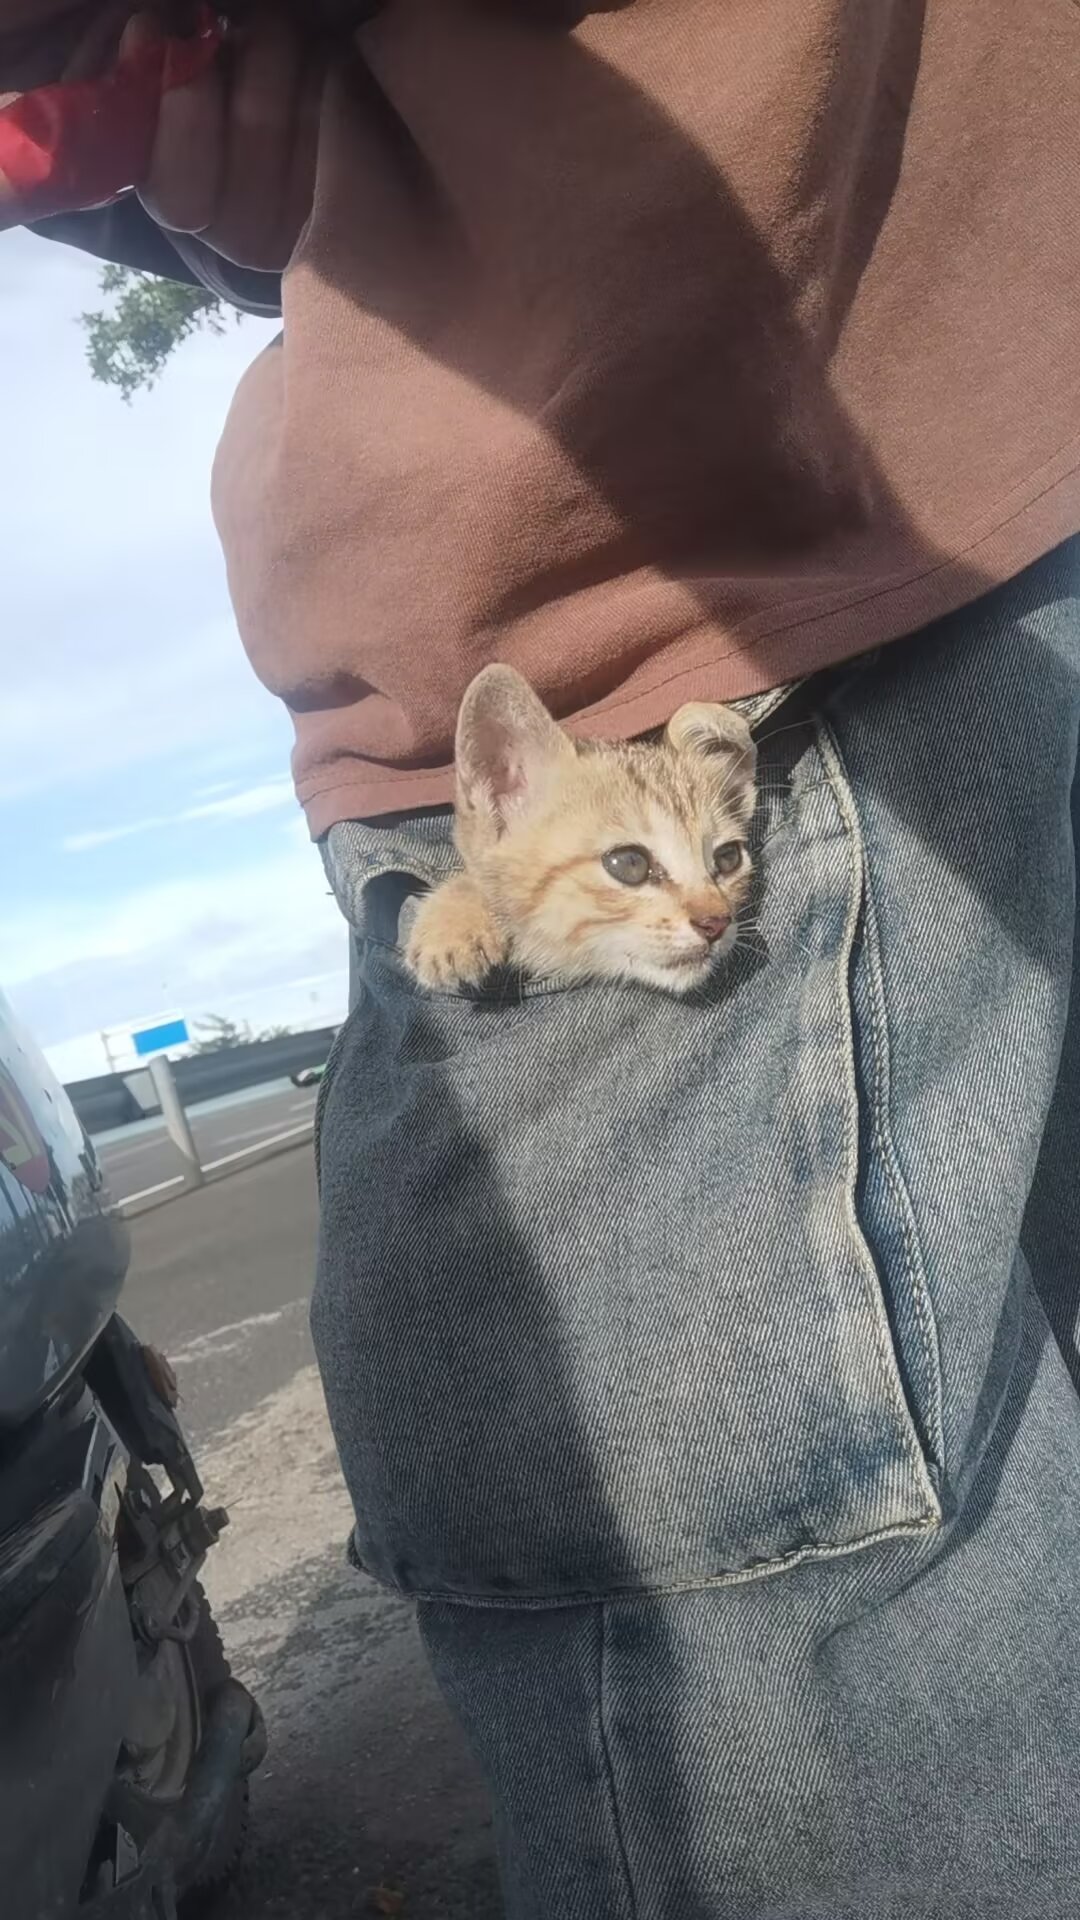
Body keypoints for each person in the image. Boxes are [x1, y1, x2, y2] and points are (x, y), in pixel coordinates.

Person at [8, 5, 1080, 1914]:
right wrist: (248, 151)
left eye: (718, 863)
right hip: (965, 462)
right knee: (993, 1384)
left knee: (674, 1533)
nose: (715, 908)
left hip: (692, 539)